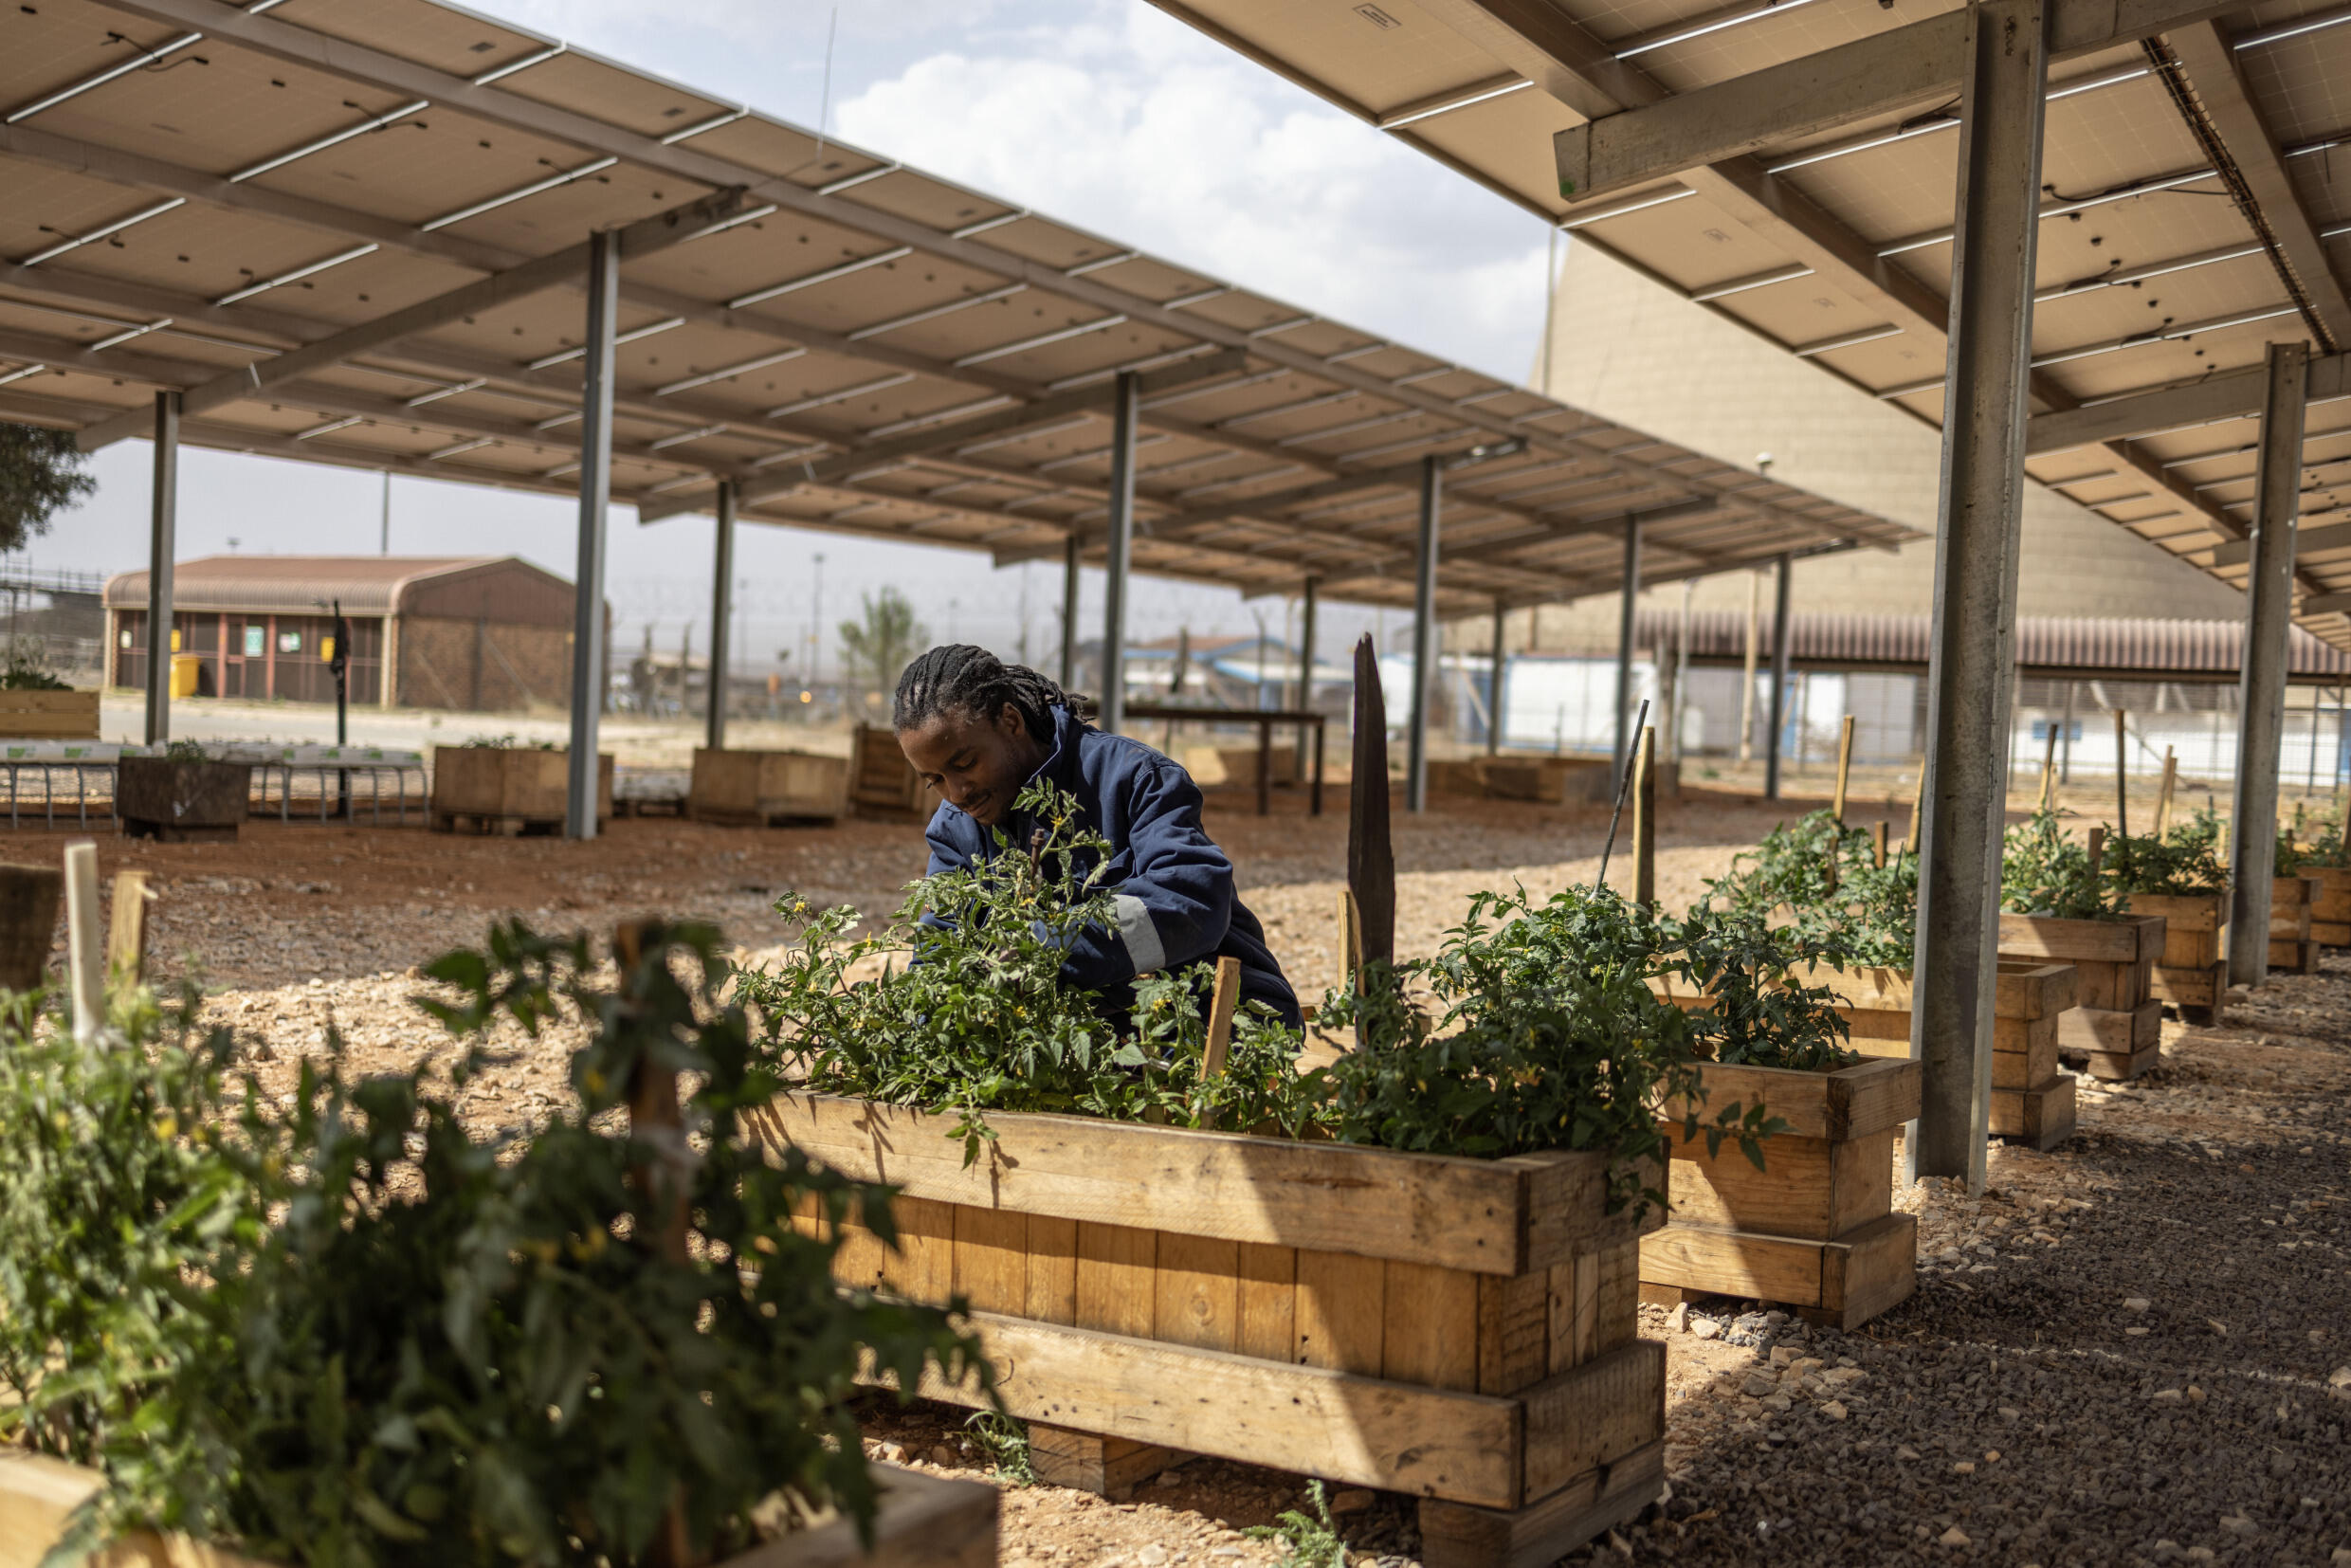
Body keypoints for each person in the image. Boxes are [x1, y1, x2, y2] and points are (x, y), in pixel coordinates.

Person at [893, 644, 1302, 1030]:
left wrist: (1044, 952)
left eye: (965, 762)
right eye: (935, 781)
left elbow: (1193, 900)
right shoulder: (954, 829)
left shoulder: (1135, 778)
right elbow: (938, 950)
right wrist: (925, 1023)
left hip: (1212, 1020)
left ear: (1011, 721)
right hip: (1079, 1044)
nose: (956, 793)